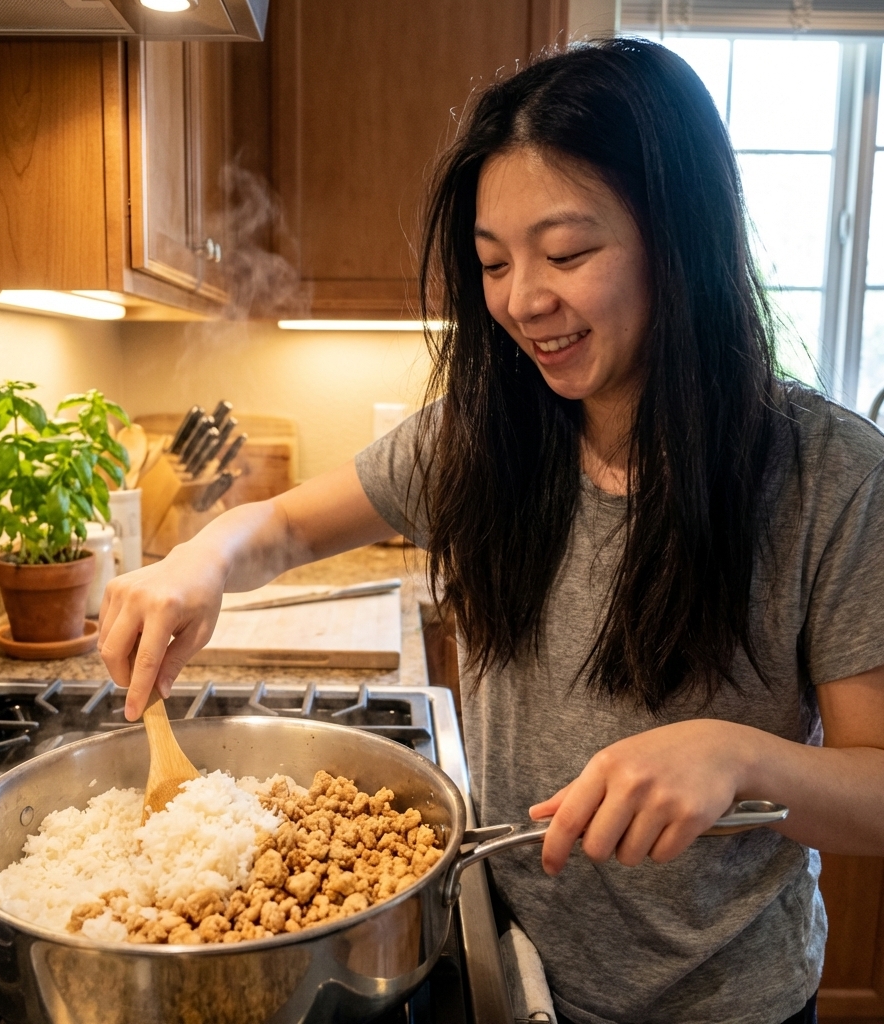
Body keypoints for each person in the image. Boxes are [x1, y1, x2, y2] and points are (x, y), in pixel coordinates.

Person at [99, 38, 884, 1024]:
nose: (521, 300)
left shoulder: (831, 473)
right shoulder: (485, 437)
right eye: (492, 262)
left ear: (675, 241)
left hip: (725, 1002)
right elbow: (284, 526)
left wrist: (740, 756)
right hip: (509, 965)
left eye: (567, 253)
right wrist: (198, 560)